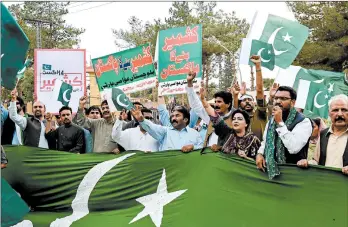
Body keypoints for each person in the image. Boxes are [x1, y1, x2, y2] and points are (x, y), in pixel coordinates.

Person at [256, 86, 312, 179]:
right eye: (276, 98)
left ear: (293, 102)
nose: (278, 101)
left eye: (283, 98)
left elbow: (294, 148)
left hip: (293, 175)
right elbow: (265, 142)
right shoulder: (271, 121)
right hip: (270, 172)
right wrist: (260, 153)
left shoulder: (303, 121)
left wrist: (280, 123)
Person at [202, 90, 261, 160]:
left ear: (246, 123)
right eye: (234, 119)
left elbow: (259, 162)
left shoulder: (253, 140)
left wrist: (246, 158)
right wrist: (203, 100)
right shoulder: (228, 134)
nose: (236, 121)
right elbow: (215, 116)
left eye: (239, 119)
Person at [297, 94, 348, 175]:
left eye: (344, 110)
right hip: (325, 183)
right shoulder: (323, 134)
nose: (339, 114)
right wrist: (306, 162)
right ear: (329, 113)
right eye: (335, 110)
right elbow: (316, 161)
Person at [186, 71, 235, 147]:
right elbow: (196, 105)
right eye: (215, 102)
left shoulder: (235, 118)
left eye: (219, 102)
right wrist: (189, 83)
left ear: (228, 104)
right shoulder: (211, 118)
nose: (216, 104)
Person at [132, 105, 203, 152]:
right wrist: (142, 120)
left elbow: (202, 148)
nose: (173, 118)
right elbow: (152, 127)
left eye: (177, 116)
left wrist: (193, 147)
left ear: (185, 120)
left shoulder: (195, 134)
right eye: (172, 116)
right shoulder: (165, 131)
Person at [231, 56, 268, 141]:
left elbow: (259, 91)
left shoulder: (260, 114)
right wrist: (235, 96)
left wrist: (258, 66)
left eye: (250, 99)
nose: (247, 101)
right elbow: (234, 109)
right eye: (244, 100)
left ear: (254, 103)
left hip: (259, 153)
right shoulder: (236, 118)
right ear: (240, 104)